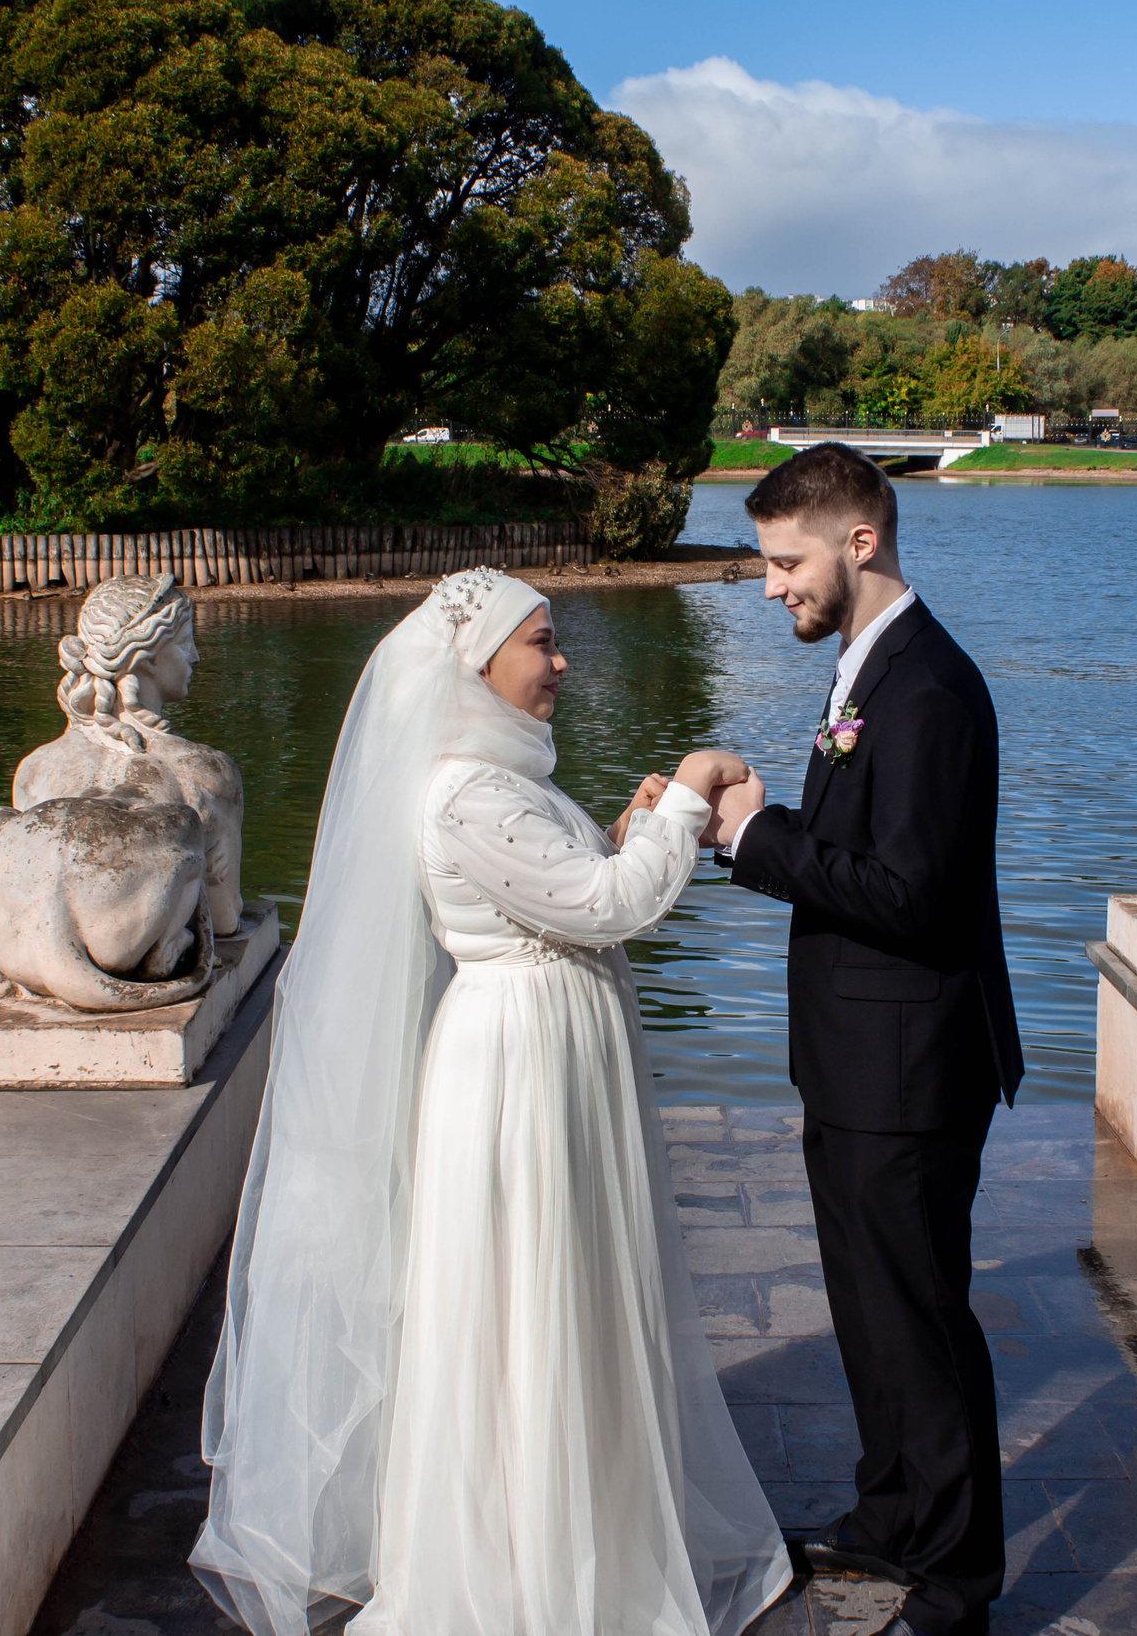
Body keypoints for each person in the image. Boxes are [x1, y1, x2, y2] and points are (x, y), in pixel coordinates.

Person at [193, 568, 793, 1636]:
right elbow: (614, 907)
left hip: (546, 1047)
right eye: (542, 642)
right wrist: (695, 788)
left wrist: (624, 831)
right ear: (478, 664)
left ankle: (574, 1528)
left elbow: (574, 891)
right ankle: (531, 1563)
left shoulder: (497, 779)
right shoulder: (466, 790)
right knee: (527, 1294)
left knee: (560, 1288)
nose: (560, 662)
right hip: (517, 1061)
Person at [704, 445, 1023, 1636]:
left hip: (910, 1066)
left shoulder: (928, 689)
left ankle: (956, 1583)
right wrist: (745, 832)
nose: (771, 584)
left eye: (786, 561)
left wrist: (760, 835)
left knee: (923, 1320)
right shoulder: (866, 670)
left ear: (861, 541)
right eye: (766, 563)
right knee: (871, 1309)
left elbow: (912, 895)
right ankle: (891, 1513)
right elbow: (862, 861)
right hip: (856, 1059)